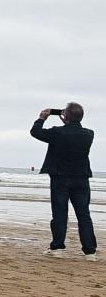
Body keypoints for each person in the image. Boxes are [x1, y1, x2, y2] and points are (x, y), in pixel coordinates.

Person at [31, 104, 97, 261]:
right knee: (84, 215)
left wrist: (41, 118)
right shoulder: (89, 134)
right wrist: (67, 120)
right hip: (81, 178)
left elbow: (35, 132)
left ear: (65, 116)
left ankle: (58, 247)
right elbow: (72, 131)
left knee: (60, 214)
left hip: (60, 178)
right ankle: (90, 252)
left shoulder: (57, 132)